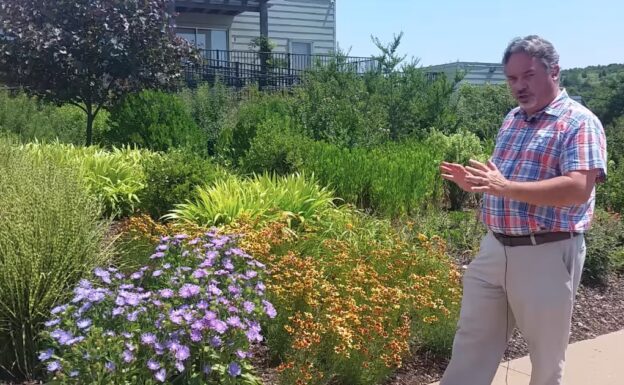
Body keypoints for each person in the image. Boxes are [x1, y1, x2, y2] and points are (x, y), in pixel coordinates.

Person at [438, 35, 607, 385]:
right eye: (512, 79)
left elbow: (578, 188)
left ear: (554, 72)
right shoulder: (512, 118)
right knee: (471, 342)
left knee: (545, 359)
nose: (519, 86)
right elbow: (504, 180)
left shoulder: (579, 122)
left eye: (528, 75)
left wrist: (506, 188)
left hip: (545, 252)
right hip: (494, 249)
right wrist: (477, 184)